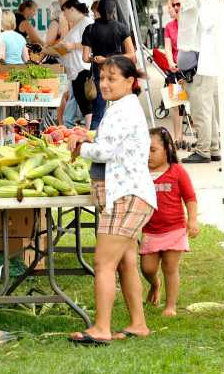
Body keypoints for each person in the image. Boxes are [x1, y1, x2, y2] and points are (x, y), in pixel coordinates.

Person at [66, 56, 155, 345]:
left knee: (103, 262)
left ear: (130, 82)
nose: (104, 84)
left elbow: (107, 151)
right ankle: (138, 323)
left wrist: (82, 147)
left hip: (126, 195)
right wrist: (88, 136)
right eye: (102, 78)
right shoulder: (122, 107)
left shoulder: (123, 109)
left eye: (111, 79)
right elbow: (112, 142)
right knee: (125, 261)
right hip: (128, 193)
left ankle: (101, 328)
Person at [141, 128, 199, 317]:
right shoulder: (140, 173)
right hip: (150, 230)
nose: (148, 155)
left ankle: (170, 306)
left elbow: (190, 198)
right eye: (144, 150)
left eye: (153, 150)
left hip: (174, 229)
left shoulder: (177, 171)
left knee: (170, 267)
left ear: (167, 149)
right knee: (147, 268)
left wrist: (192, 220)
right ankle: (155, 284)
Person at [81, 0, 134, 129]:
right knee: (121, 113)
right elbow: (131, 54)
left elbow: (85, 58)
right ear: (113, 11)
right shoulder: (122, 28)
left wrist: (98, 59)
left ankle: (95, 144)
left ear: (97, 10)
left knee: (98, 115)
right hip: (119, 73)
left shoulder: (90, 29)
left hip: (100, 74)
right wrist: (110, 58)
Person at [61, 0, 93, 129]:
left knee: (85, 104)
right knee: (81, 102)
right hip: (75, 70)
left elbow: (91, 42)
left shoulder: (86, 22)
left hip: (82, 68)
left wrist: (72, 46)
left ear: (72, 9)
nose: (64, 15)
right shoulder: (76, 24)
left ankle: (89, 130)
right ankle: (88, 129)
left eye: (65, 11)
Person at [163, 0, 185, 149]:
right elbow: (168, 48)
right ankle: (178, 137)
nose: (176, 8)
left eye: (178, 4)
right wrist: (170, 62)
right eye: (173, 5)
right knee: (175, 104)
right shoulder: (169, 26)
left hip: (189, 68)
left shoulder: (189, 24)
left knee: (191, 103)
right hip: (175, 68)